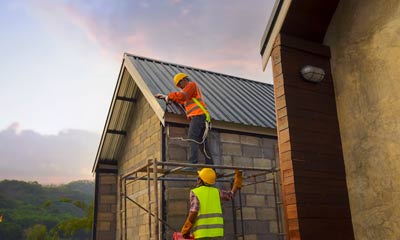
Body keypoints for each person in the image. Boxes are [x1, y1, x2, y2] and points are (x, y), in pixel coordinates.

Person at [155, 73, 213, 165]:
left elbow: (181, 96)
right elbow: (179, 99)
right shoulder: (188, 94)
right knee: (203, 144)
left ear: (184, 80)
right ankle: (211, 167)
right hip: (201, 117)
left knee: (192, 137)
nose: (180, 87)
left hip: (198, 116)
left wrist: (169, 96)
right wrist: (165, 96)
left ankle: (192, 163)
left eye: (179, 84)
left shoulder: (191, 85)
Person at [180, 168, 242, 239]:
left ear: (200, 180)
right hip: (217, 234)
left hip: (202, 235)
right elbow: (231, 194)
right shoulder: (217, 192)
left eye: (198, 178)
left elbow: (194, 212)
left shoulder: (195, 192)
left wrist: (186, 230)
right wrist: (238, 180)